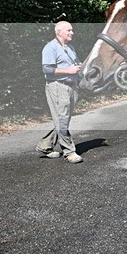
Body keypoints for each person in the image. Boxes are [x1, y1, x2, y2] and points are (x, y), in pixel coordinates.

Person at [36, 21, 83, 163]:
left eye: (72, 30)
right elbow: (47, 69)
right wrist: (68, 71)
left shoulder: (70, 47)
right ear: (59, 32)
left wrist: (79, 67)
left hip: (71, 86)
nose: (72, 33)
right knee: (62, 120)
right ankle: (69, 152)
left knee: (63, 120)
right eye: (68, 30)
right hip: (58, 86)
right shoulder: (50, 48)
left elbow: (75, 63)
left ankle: (45, 146)